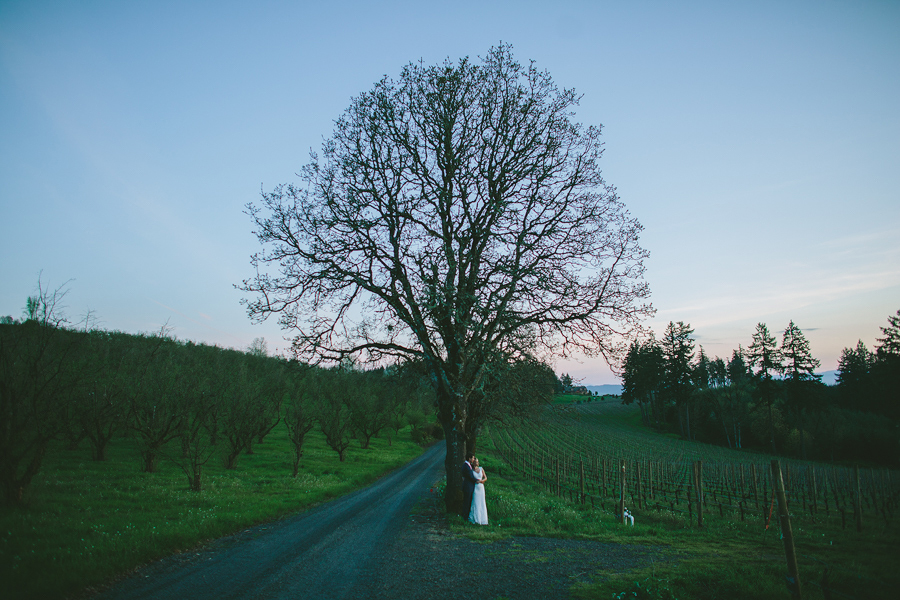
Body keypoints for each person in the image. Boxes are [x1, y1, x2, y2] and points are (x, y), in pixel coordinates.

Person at [468, 457, 488, 525]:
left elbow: (485, 477)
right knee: (476, 502)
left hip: (481, 487)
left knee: (482, 502)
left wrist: (482, 481)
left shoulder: (481, 469)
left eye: (477, 462)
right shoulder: (471, 470)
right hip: (475, 487)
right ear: (473, 463)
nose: (477, 463)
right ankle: (476, 518)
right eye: (475, 462)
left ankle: (482, 519)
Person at [461, 453, 481, 518]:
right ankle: (465, 516)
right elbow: (470, 476)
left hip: (469, 486)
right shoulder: (466, 466)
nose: (473, 459)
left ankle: (466, 515)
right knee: (466, 502)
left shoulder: (469, 465)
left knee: (468, 501)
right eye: (472, 458)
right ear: (469, 458)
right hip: (467, 487)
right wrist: (477, 480)